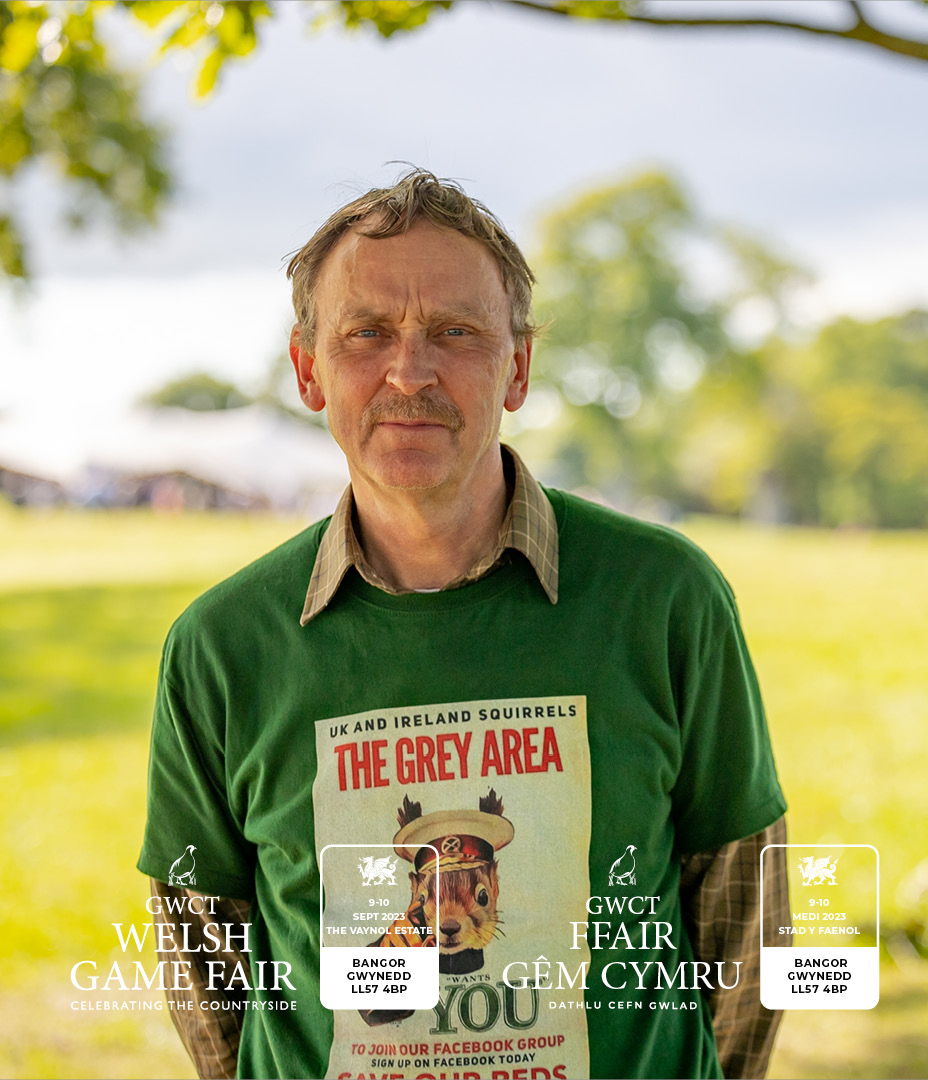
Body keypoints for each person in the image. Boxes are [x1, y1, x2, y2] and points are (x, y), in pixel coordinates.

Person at [138, 169, 789, 1080]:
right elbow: (202, 951)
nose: (410, 371)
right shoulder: (221, 646)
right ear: (309, 369)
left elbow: (744, 900)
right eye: (366, 333)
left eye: (457, 332)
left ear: (517, 366)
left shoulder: (666, 597)